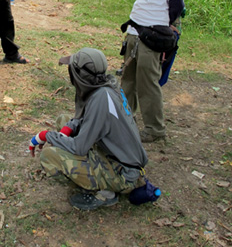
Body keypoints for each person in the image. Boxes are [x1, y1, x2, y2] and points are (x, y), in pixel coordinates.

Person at [28, 48, 149, 211]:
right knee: (64, 120)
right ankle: (99, 177)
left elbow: (79, 147)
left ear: (79, 74)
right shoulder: (107, 85)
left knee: (50, 156)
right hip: (115, 154)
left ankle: (106, 191)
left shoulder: (100, 100)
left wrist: (46, 136)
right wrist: (63, 134)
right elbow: (82, 119)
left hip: (124, 173)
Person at [120, 0, 184, 143]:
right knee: (128, 80)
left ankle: (155, 129)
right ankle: (123, 121)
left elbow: (176, 3)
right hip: (135, 32)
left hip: (151, 37)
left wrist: (167, 25)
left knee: (147, 84)